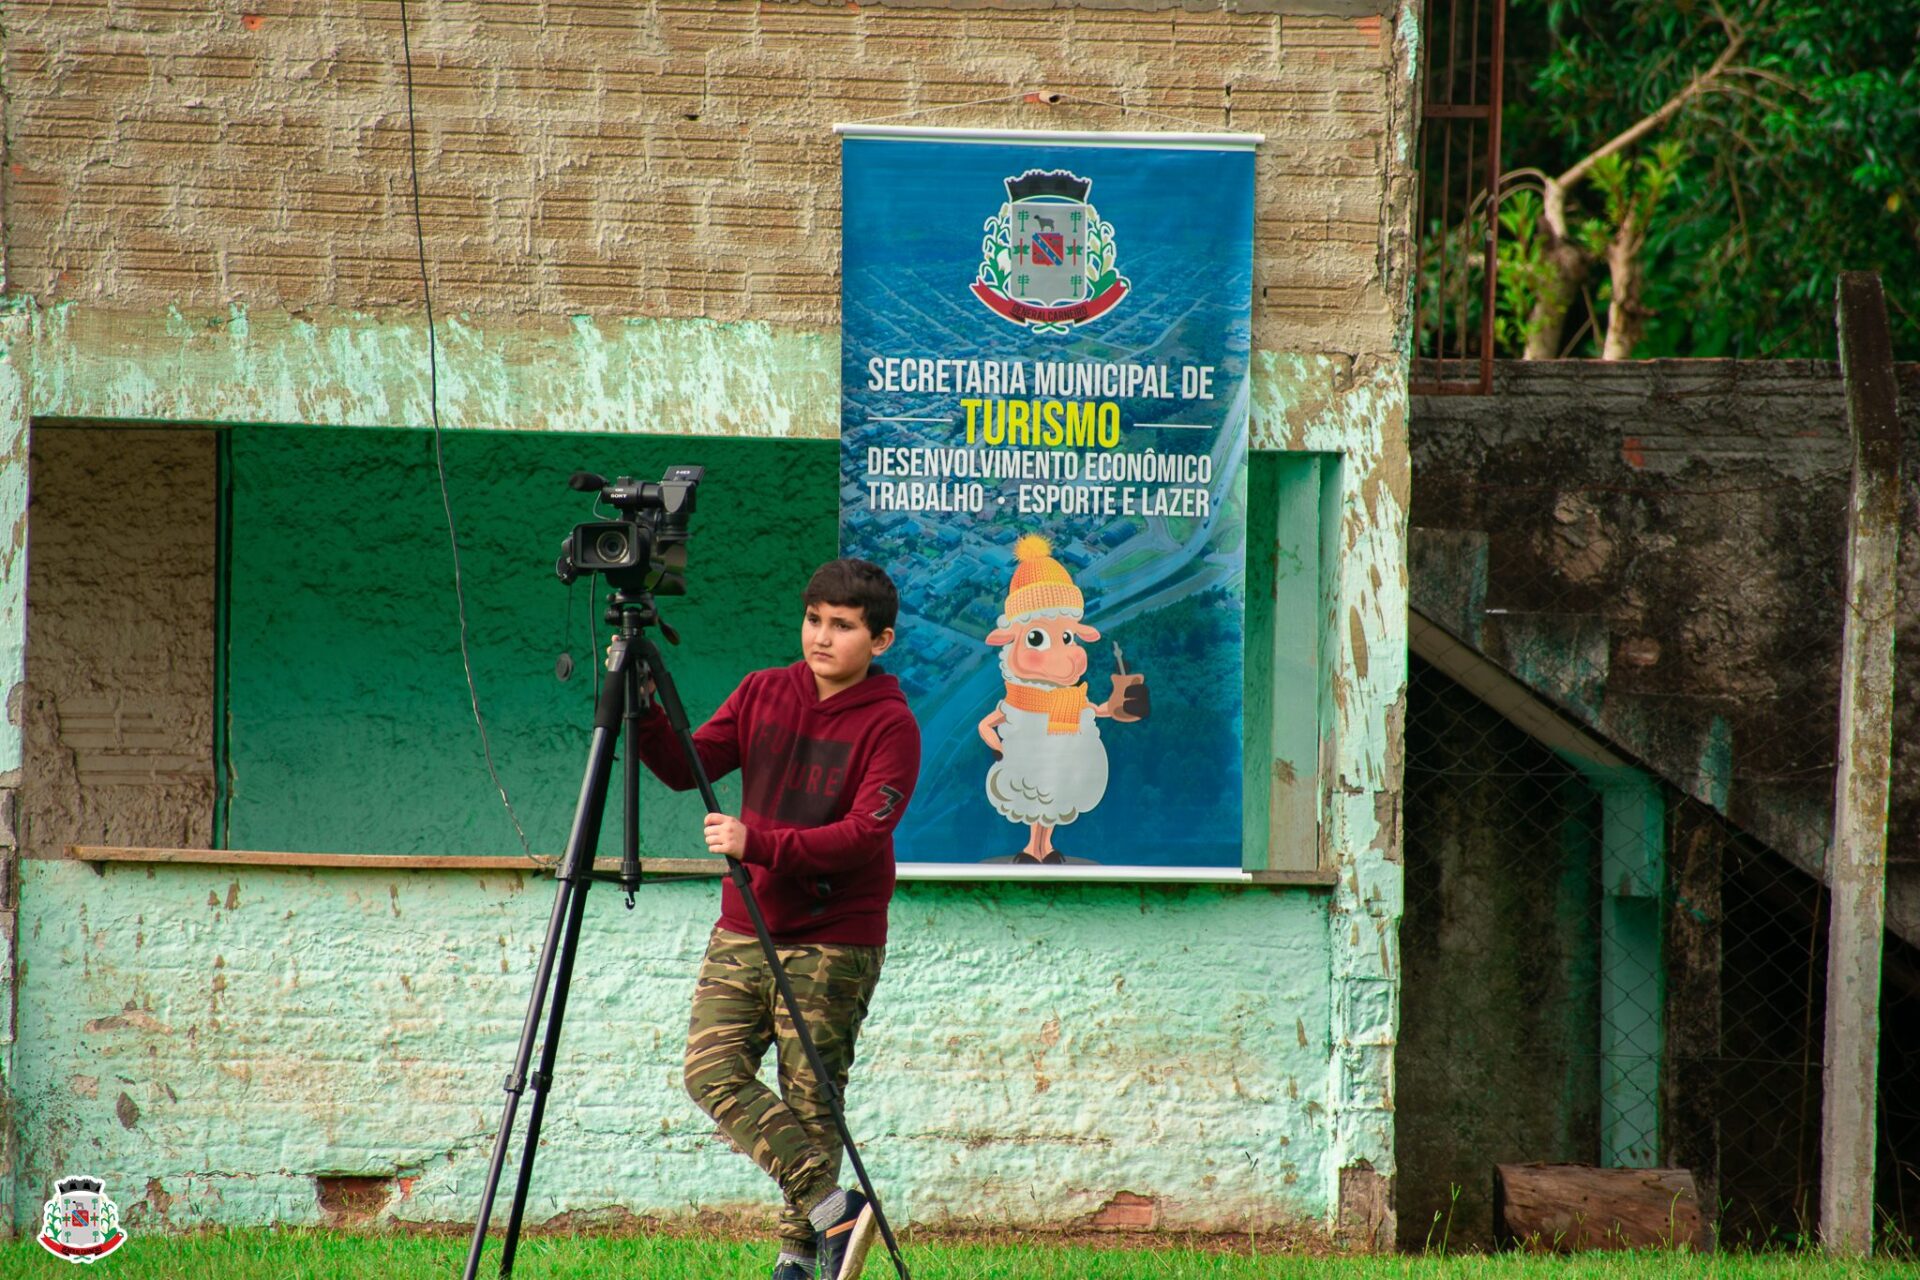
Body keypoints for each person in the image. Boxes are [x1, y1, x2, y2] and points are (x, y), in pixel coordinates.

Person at [629, 558, 920, 1280]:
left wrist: (757, 842)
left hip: (835, 936)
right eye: (814, 619)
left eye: (843, 627)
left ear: (879, 640)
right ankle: (835, 1211)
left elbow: (861, 836)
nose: (822, 637)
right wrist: (642, 711)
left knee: (811, 1098)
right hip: (746, 923)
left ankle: (799, 1261)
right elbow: (685, 766)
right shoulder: (764, 691)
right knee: (711, 1071)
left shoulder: (893, 725)